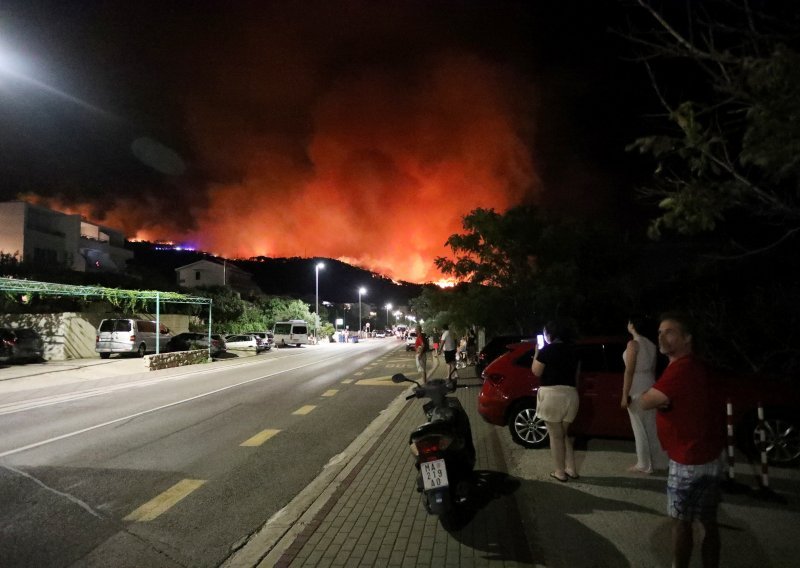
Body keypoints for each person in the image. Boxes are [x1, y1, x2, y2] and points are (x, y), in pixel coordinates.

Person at [639, 312, 726, 568]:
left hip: (688, 459)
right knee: (707, 521)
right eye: (659, 332)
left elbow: (647, 400)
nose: (662, 336)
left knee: (682, 522)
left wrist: (652, 396)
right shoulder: (693, 366)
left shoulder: (681, 369)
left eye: (669, 332)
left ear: (687, 338)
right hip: (706, 453)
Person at [531, 320, 580, 482]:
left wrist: (537, 352)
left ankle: (559, 472)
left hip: (552, 395)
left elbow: (536, 372)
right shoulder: (573, 350)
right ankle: (571, 469)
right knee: (564, 434)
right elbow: (577, 376)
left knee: (555, 436)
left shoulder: (547, 350)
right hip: (571, 395)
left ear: (550, 334)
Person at [621, 315, 667, 474]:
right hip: (650, 384)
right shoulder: (651, 345)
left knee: (638, 426)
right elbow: (653, 369)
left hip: (636, 386)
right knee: (652, 426)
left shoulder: (633, 344)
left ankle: (644, 463)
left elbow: (629, 370)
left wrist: (624, 394)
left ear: (632, 325)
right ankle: (658, 461)